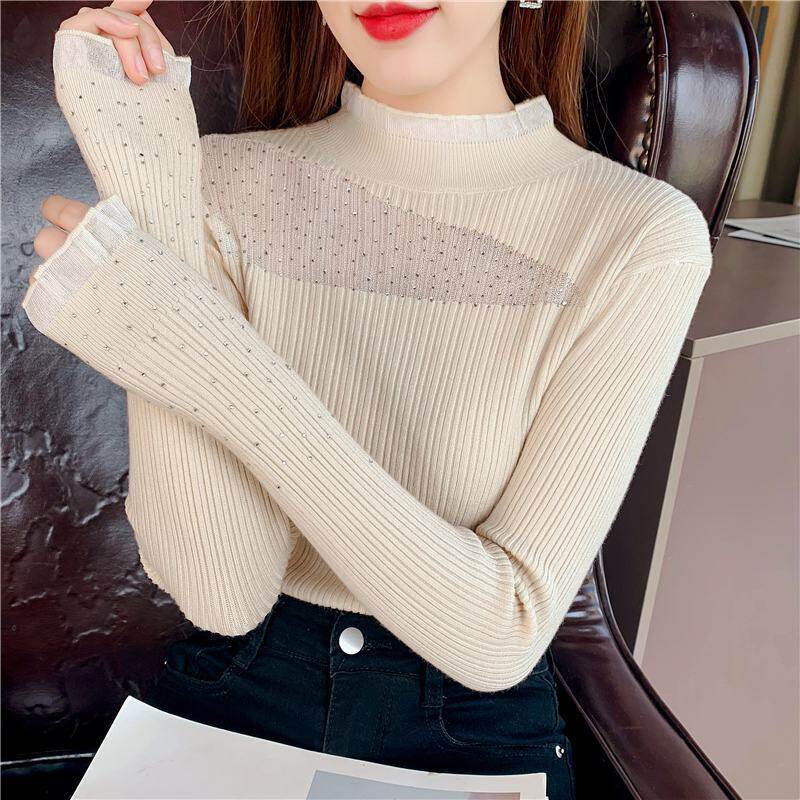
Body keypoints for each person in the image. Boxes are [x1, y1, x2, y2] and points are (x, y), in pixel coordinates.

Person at [22, 2, 714, 798]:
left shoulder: (636, 237)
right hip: (231, 696)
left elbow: (501, 634)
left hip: (465, 738)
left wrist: (188, 337)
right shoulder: (217, 180)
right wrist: (148, 190)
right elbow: (223, 591)